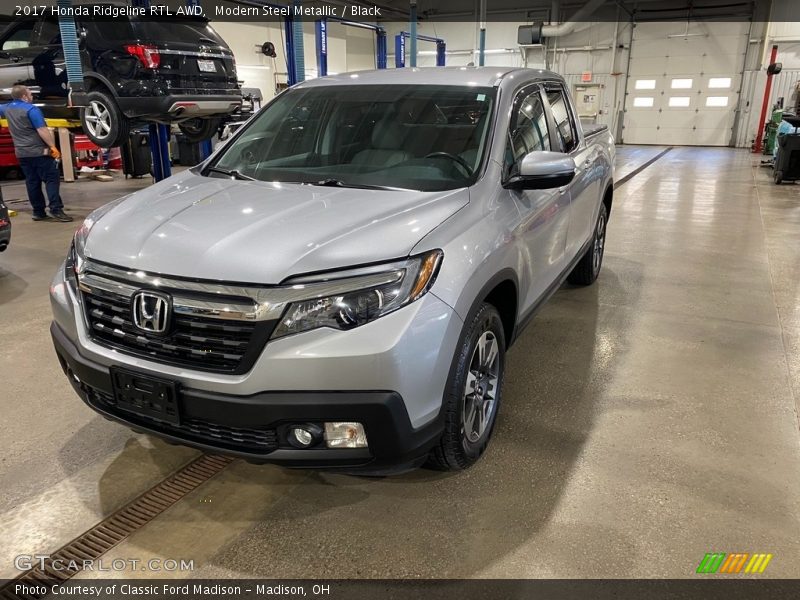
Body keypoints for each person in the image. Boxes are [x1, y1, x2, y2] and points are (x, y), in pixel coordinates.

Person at [0, 84, 72, 222]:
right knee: (51, 179)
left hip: (21, 153)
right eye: (30, 94)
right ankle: (56, 209)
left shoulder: (6, 108)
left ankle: (38, 212)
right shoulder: (31, 110)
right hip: (39, 152)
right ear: (24, 97)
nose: (32, 97)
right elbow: (42, 130)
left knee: (32, 182)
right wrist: (53, 147)